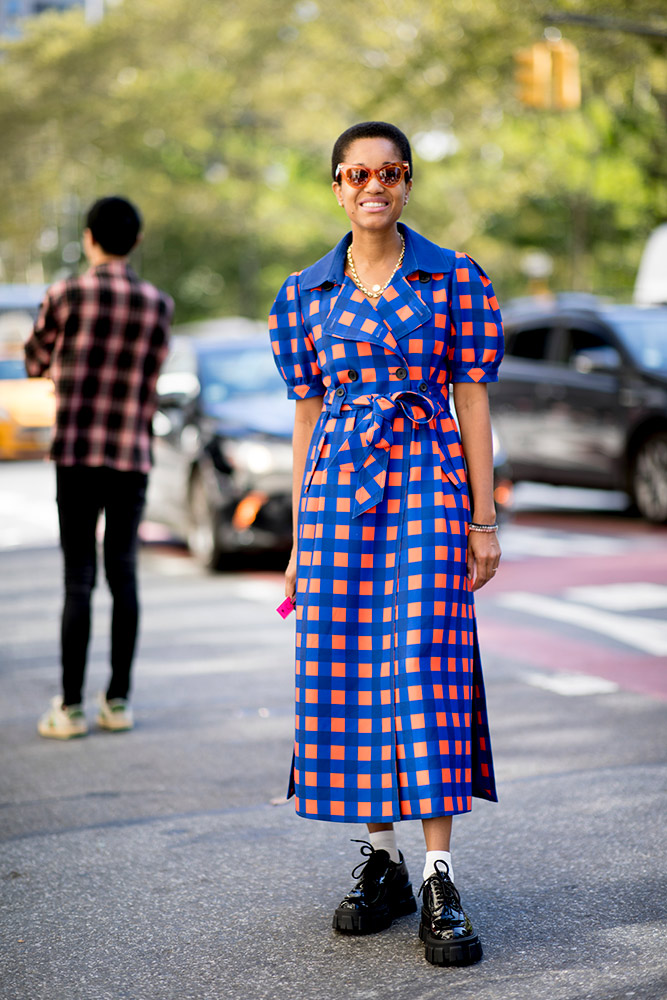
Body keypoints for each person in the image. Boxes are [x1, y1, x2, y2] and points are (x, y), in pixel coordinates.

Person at [269, 122, 503, 967]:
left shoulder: (453, 279)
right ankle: (384, 860)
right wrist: (299, 535)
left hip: (427, 494)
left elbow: (471, 400)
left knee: (426, 668)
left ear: (407, 184)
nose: (374, 184)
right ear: (337, 186)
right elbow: (305, 416)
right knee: (350, 668)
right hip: (335, 502)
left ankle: (439, 873)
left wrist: (482, 519)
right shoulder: (304, 294)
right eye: (357, 172)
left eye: (390, 171)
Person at [25, 196, 173, 740]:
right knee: (123, 573)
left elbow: (35, 360)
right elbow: (154, 370)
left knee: (78, 578)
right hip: (130, 455)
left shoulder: (64, 295)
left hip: (76, 453)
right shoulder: (157, 303)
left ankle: (69, 708)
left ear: (89, 238)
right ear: (135, 241)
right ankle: (118, 701)